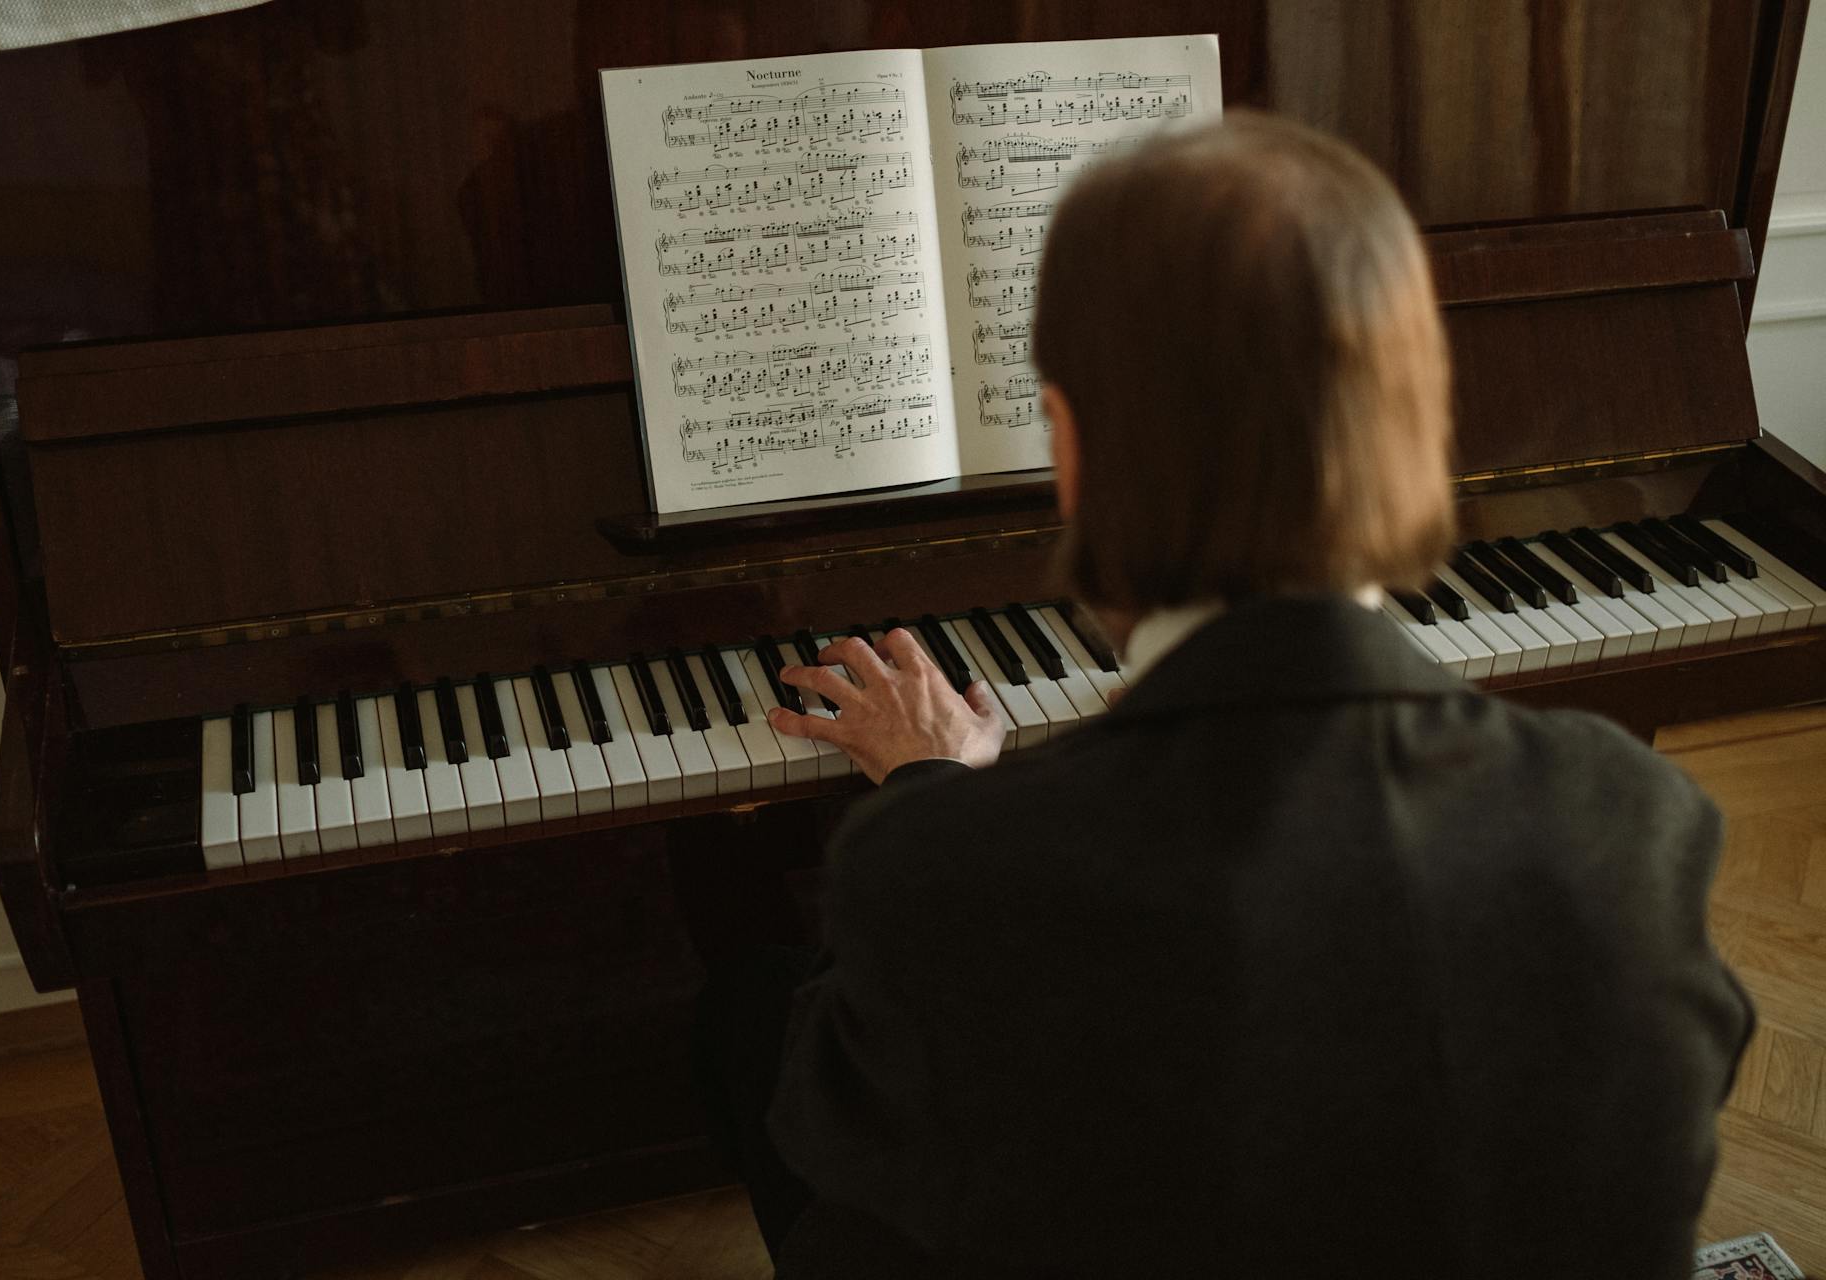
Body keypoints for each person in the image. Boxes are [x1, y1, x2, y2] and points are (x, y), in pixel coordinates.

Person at [695, 111, 1753, 1279]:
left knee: (757, 1006)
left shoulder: (944, 870)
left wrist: (941, 793)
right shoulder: (1637, 822)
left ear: (1070, 447)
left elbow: (844, 1151)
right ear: (1416, 420)